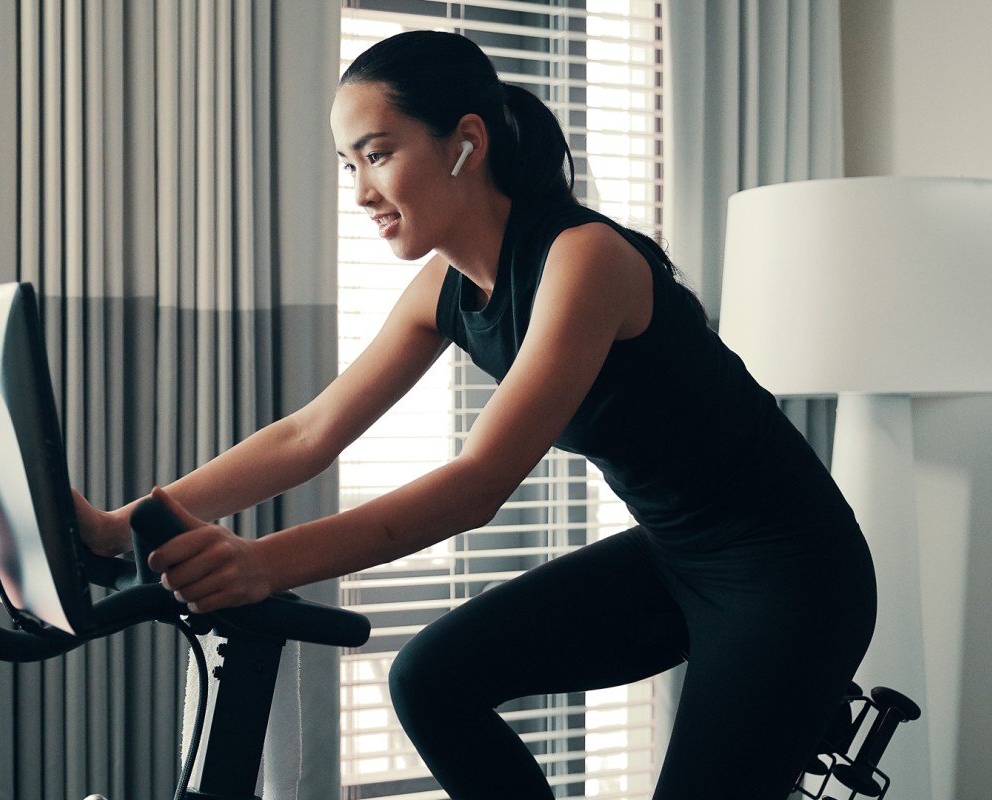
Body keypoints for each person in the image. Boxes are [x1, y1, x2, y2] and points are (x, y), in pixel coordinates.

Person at [75, 30, 876, 800]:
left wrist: (263, 565)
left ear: (466, 140)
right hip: (676, 554)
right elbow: (309, 434)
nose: (361, 192)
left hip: (791, 573)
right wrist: (126, 524)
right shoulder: (444, 290)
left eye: (380, 154)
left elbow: (477, 483)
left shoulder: (583, 258)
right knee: (431, 679)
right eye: (348, 164)